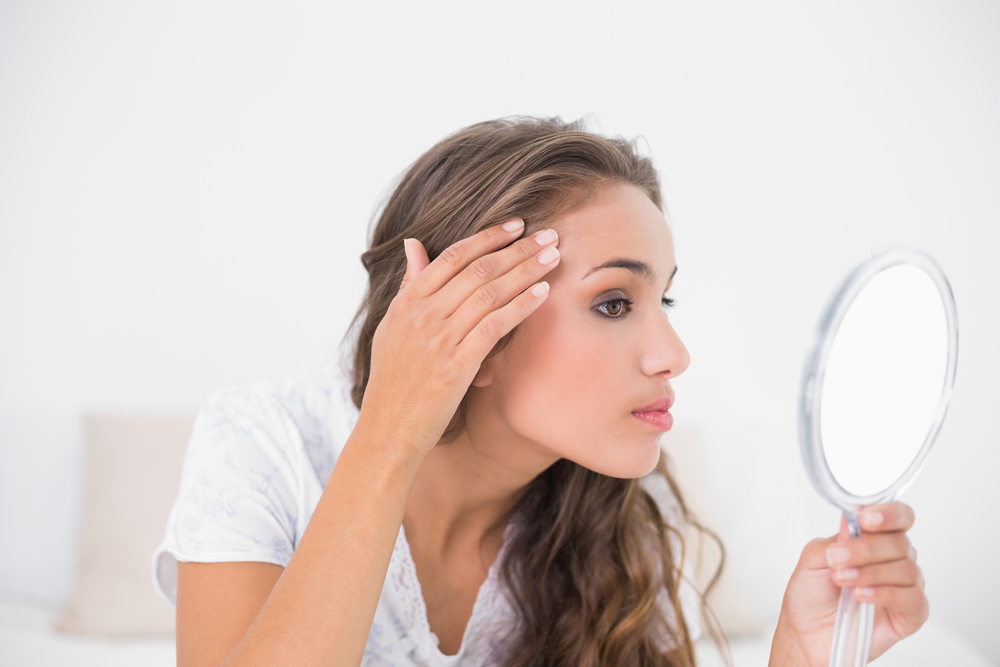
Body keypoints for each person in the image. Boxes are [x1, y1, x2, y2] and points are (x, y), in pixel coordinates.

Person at [153, 117, 928, 667]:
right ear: (471, 328)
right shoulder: (263, 442)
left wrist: (801, 656)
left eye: (665, 299)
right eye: (615, 303)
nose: (673, 354)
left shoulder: (622, 512)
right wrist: (394, 428)